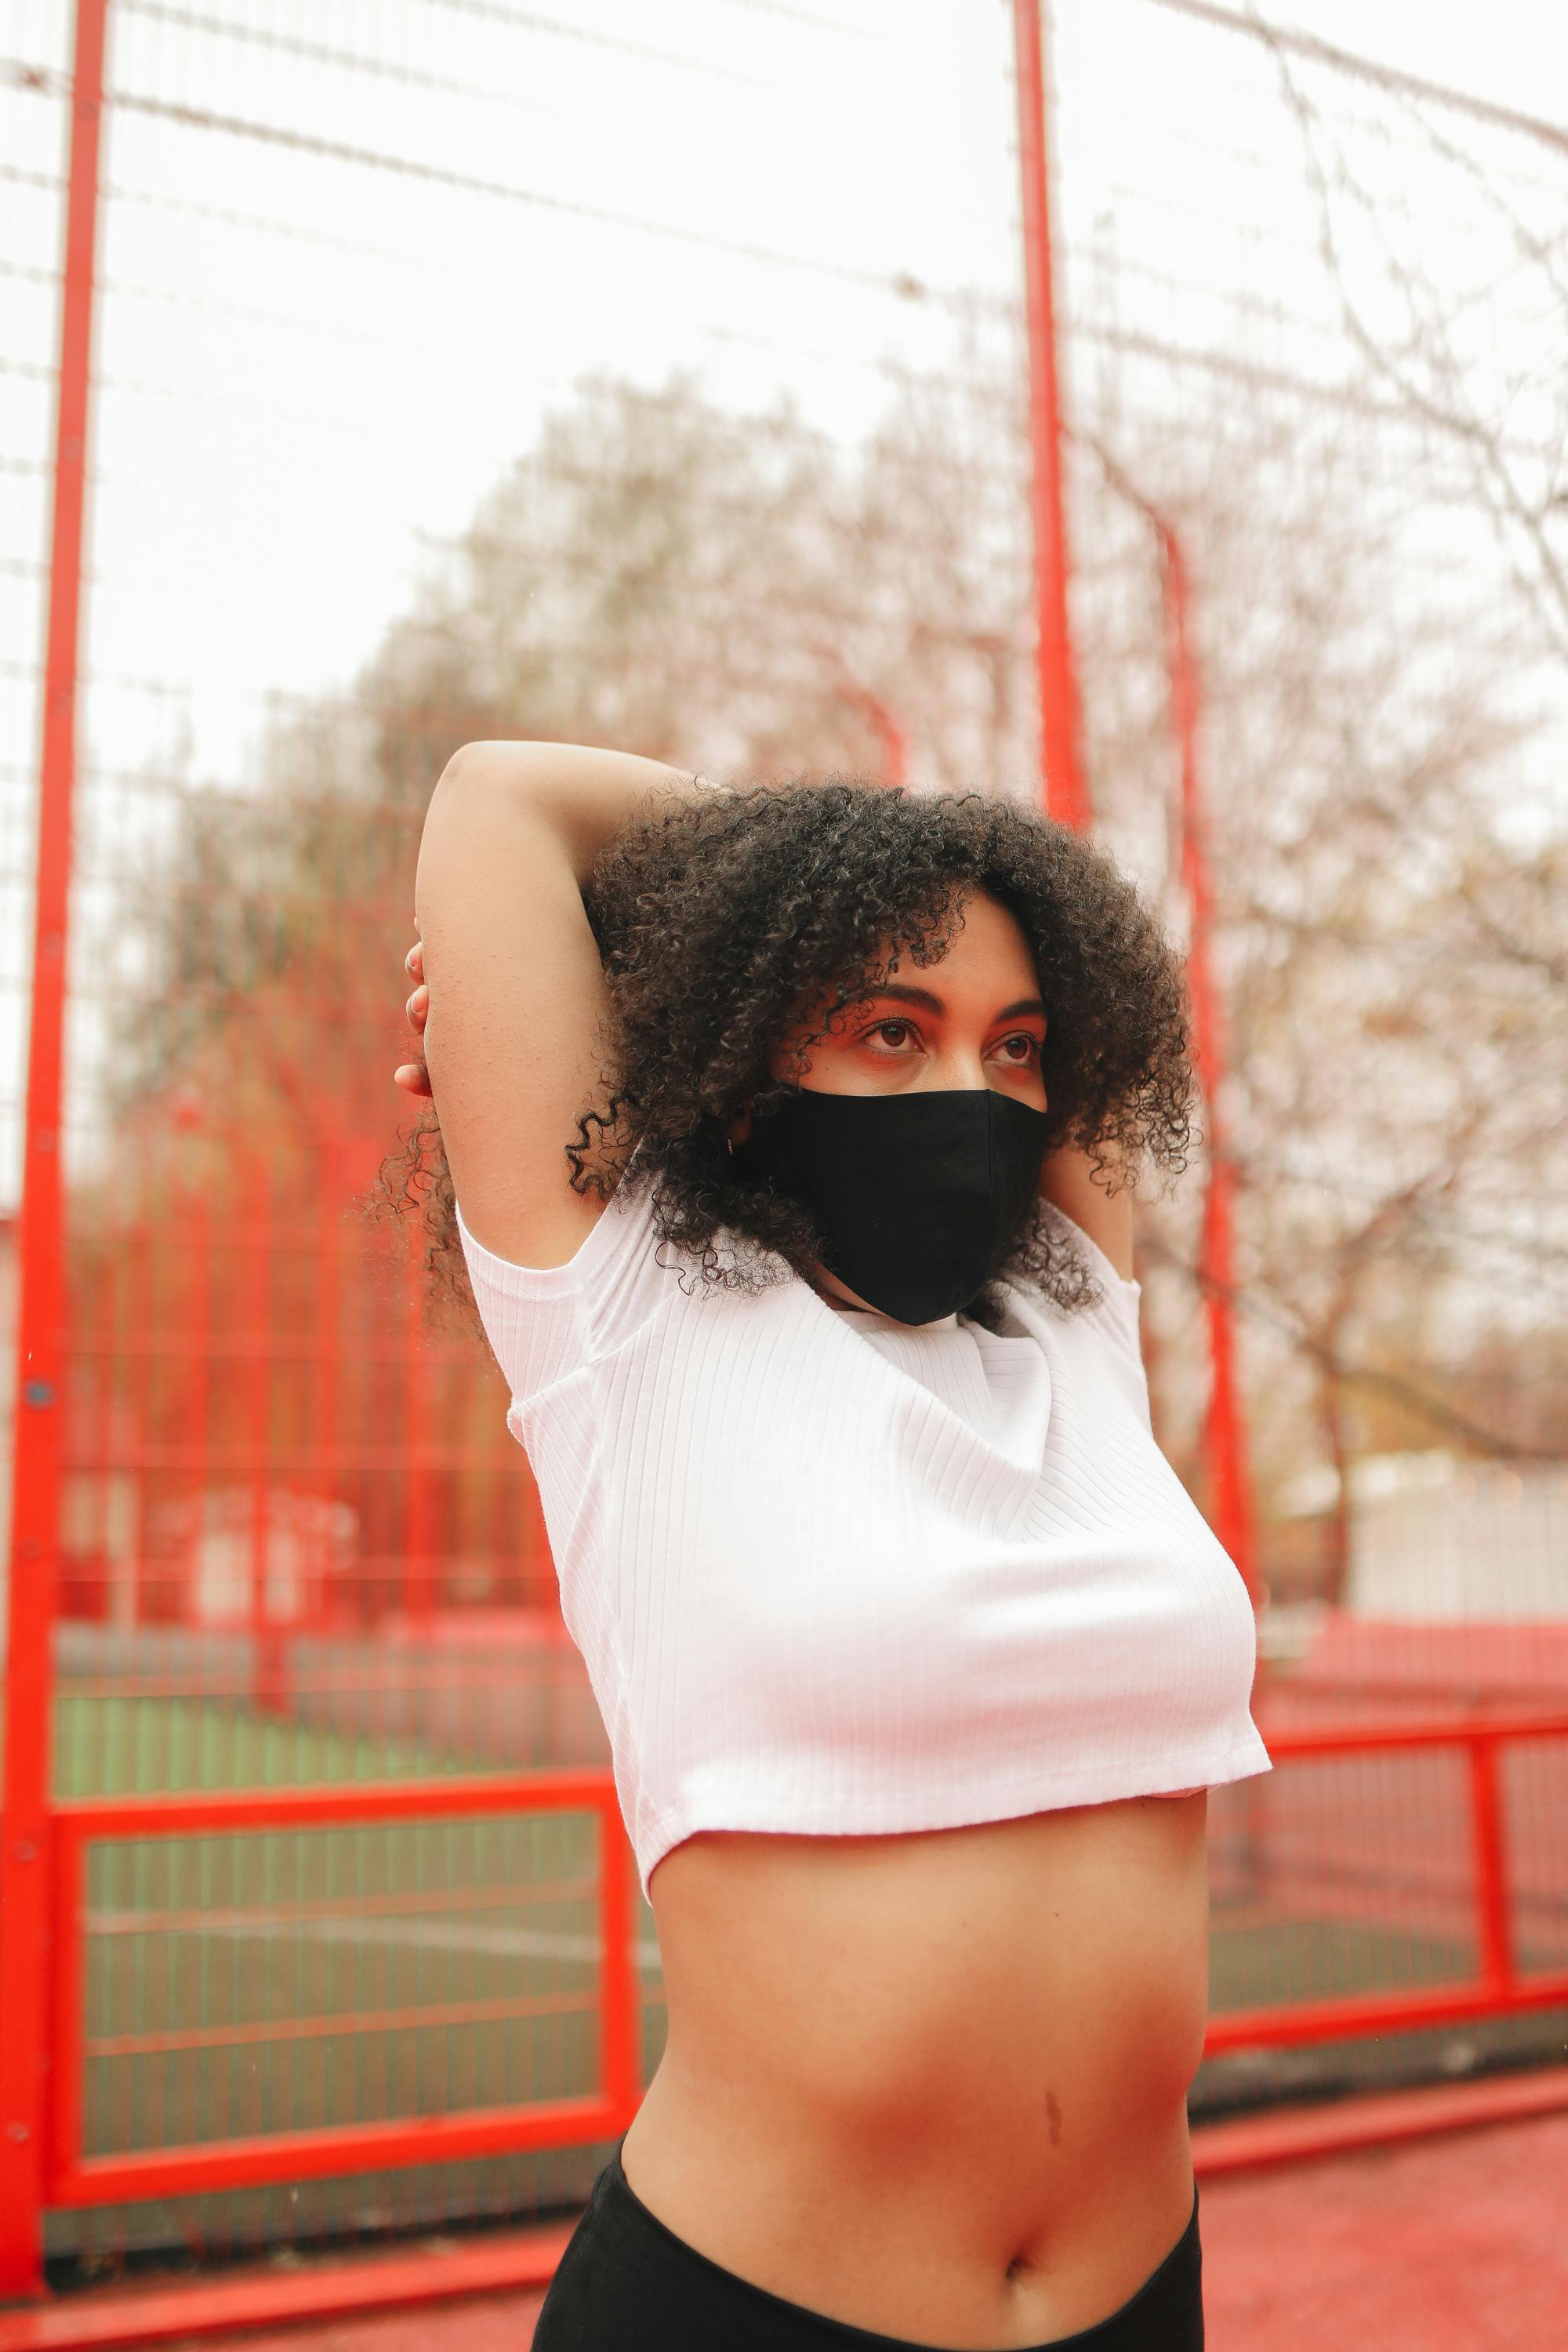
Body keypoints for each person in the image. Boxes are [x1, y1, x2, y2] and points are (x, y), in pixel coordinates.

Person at [389, 741, 1269, 2352]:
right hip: (750, 2310)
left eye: (1014, 1048)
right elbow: (502, 797)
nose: (971, 1096)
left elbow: (1065, 970)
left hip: (1141, 2297)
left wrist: (901, 895)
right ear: (734, 1051)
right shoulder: (632, 1313)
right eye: (887, 1028)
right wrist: (820, 864)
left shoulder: (1076, 1311)